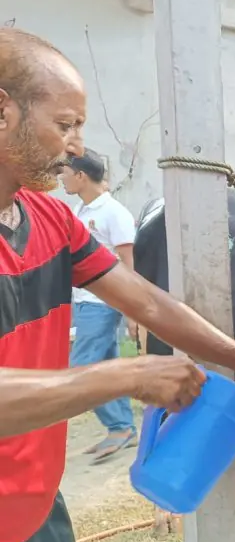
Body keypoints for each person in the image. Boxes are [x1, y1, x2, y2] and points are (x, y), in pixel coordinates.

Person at [0, 27, 235, 542]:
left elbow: (147, 302)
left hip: (37, 509)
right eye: (65, 123)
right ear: (3, 111)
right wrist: (127, 377)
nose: (76, 146)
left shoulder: (51, 219)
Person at [60, 149, 139, 463]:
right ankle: (123, 428)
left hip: (103, 304)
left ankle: (119, 426)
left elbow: (129, 264)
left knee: (83, 369)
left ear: (81, 175)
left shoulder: (113, 212)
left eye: (64, 173)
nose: (60, 179)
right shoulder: (80, 209)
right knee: (106, 368)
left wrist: (133, 312)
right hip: (85, 301)